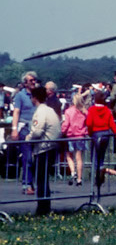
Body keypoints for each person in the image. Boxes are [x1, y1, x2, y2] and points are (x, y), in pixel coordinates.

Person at [25, 85, 61, 216]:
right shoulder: (50, 110)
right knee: (43, 179)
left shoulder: (40, 112)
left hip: (43, 149)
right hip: (52, 146)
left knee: (41, 179)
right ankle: (45, 206)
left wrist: (27, 138)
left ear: (34, 98)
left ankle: (42, 208)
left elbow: (37, 131)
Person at [85, 91, 116, 191]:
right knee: (102, 156)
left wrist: (90, 133)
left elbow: (89, 123)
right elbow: (112, 123)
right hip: (105, 134)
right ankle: (101, 171)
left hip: (96, 134)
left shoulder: (91, 110)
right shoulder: (107, 110)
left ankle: (97, 176)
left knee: (94, 156)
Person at [61, 92, 89, 186]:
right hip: (81, 136)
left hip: (70, 136)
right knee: (79, 158)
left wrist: (62, 131)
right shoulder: (84, 112)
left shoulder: (68, 111)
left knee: (69, 156)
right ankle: (79, 179)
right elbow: (88, 123)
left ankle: (73, 172)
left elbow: (66, 124)